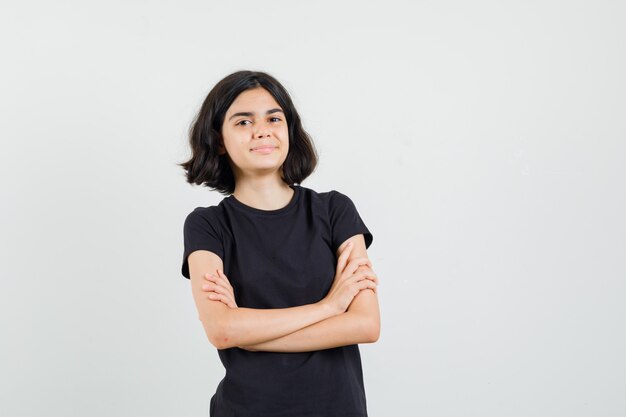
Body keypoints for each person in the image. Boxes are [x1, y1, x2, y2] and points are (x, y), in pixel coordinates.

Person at [178, 70, 380, 417]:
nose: (262, 130)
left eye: (274, 118)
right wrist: (329, 307)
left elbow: (365, 324)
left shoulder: (334, 210)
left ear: (289, 129)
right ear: (220, 139)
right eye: (243, 122)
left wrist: (251, 334)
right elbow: (222, 330)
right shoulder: (207, 225)